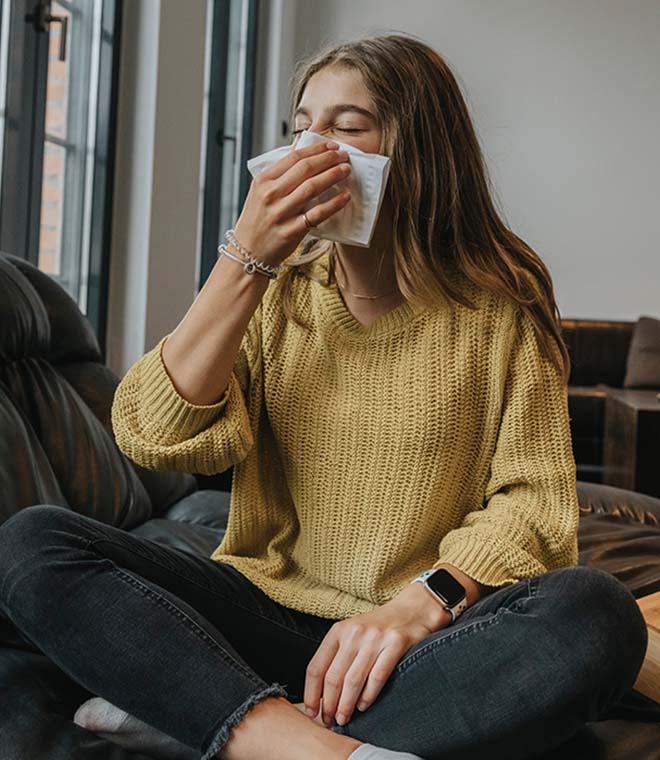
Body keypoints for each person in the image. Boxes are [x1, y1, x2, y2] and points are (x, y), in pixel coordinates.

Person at [0, 33, 648, 760]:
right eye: (300, 127)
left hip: (416, 643)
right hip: (261, 615)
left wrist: (417, 606)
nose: (308, 149)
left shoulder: (501, 303)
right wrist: (245, 259)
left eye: (345, 127)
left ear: (416, 151)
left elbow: (533, 503)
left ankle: (206, 718)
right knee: (32, 544)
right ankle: (306, 748)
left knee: (596, 614)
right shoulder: (276, 296)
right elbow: (154, 434)